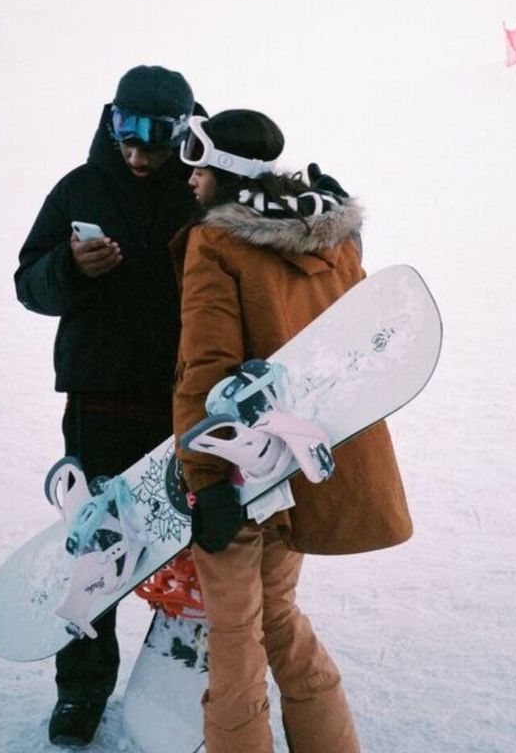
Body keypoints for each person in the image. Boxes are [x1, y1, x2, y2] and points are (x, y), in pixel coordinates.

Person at [171, 110, 414, 753]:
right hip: (300, 467)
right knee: (278, 616)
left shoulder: (216, 244)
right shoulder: (329, 240)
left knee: (234, 636)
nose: (190, 176)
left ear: (225, 168)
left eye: (198, 160)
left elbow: (207, 367)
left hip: (238, 469)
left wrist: (203, 480)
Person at [14, 65, 203, 748]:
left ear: (183, 132)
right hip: (101, 402)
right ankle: (82, 693)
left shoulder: (204, 186)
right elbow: (27, 284)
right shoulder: (80, 188)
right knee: (95, 554)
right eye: (127, 136)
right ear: (112, 121)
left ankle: (186, 686)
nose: (137, 156)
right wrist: (67, 267)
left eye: (154, 140)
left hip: (190, 402)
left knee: (199, 557)